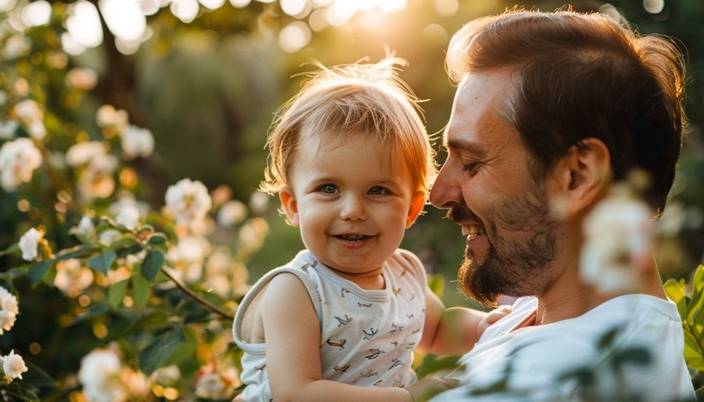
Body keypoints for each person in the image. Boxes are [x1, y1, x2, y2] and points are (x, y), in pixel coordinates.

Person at [424, 8, 696, 402]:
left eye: (472, 163)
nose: (439, 193)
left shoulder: (543, 382)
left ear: (577, 175)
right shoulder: (566, 321)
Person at [232, 57, 508, 402]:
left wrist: (484, 329)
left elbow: (436, 327)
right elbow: (296, 393)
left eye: (378, 190)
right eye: (328, 189)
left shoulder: (404, 272)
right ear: (294, 206)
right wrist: (407, 397)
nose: (352, 211)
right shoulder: (297, 290)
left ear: (410, 208)